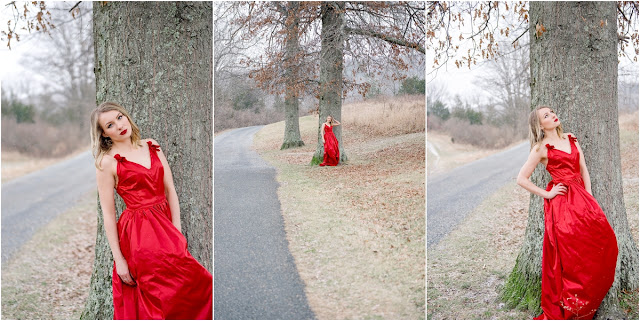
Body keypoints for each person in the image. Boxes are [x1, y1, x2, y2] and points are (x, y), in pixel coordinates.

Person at [90, 102, 212, 320]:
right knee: (155, 297)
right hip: (139, 235)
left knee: (200, 285)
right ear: (104, 134)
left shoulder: (151, 145)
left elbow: (170, 190)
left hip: (165, 226)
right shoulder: (106, 163)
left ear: (126, 116)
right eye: (110, 124)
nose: (119, 126)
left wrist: (177, 232)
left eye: (120, 117)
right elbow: (108, 215)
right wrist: (119, 260)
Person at [516, 106, 618, 320]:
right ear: (540, 125)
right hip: (562, 206)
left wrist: (589, 197)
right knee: (572, 257)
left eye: (551, 112)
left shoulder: (571, 138)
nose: (552, 115)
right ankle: (575, 305)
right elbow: (521, 179)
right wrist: (548, 193)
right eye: (546, 116)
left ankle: (590, 298)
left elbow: (583, 169)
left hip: (582, 199)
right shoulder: (540, 148)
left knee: (606, 242)